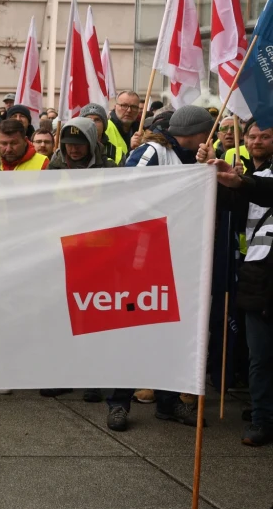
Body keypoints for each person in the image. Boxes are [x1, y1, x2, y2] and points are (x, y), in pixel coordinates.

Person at [105, 105, 214, 433]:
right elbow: (126, 196)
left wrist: (203, 169)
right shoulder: (151, 152)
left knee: (172, 331)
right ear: (195, 131)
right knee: (131, 331)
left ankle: (168, 402)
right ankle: (118, 403)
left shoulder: (189, 156)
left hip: (179, 259)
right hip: (141, 259)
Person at [206, 155, 273, 445]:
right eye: (254, 136)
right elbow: (234, 205)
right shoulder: (262, 177)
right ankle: (262, 419)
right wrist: (229, 183)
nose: (258, 142)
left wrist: (242, 181)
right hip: (260, 276)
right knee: (260, 356)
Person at [48, 119, 116, 170]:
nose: (74, 149)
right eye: (69, 144)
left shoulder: (108, 167)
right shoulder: (54, 166)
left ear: (90, 143)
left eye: (79, 145)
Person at [108, 91, 142, 159]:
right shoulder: (105, 128)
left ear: (138, 110)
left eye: (134, 107)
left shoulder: (142, 130)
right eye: (124, 105)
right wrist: (131, 149)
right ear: (115, 107)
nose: (129, 110)